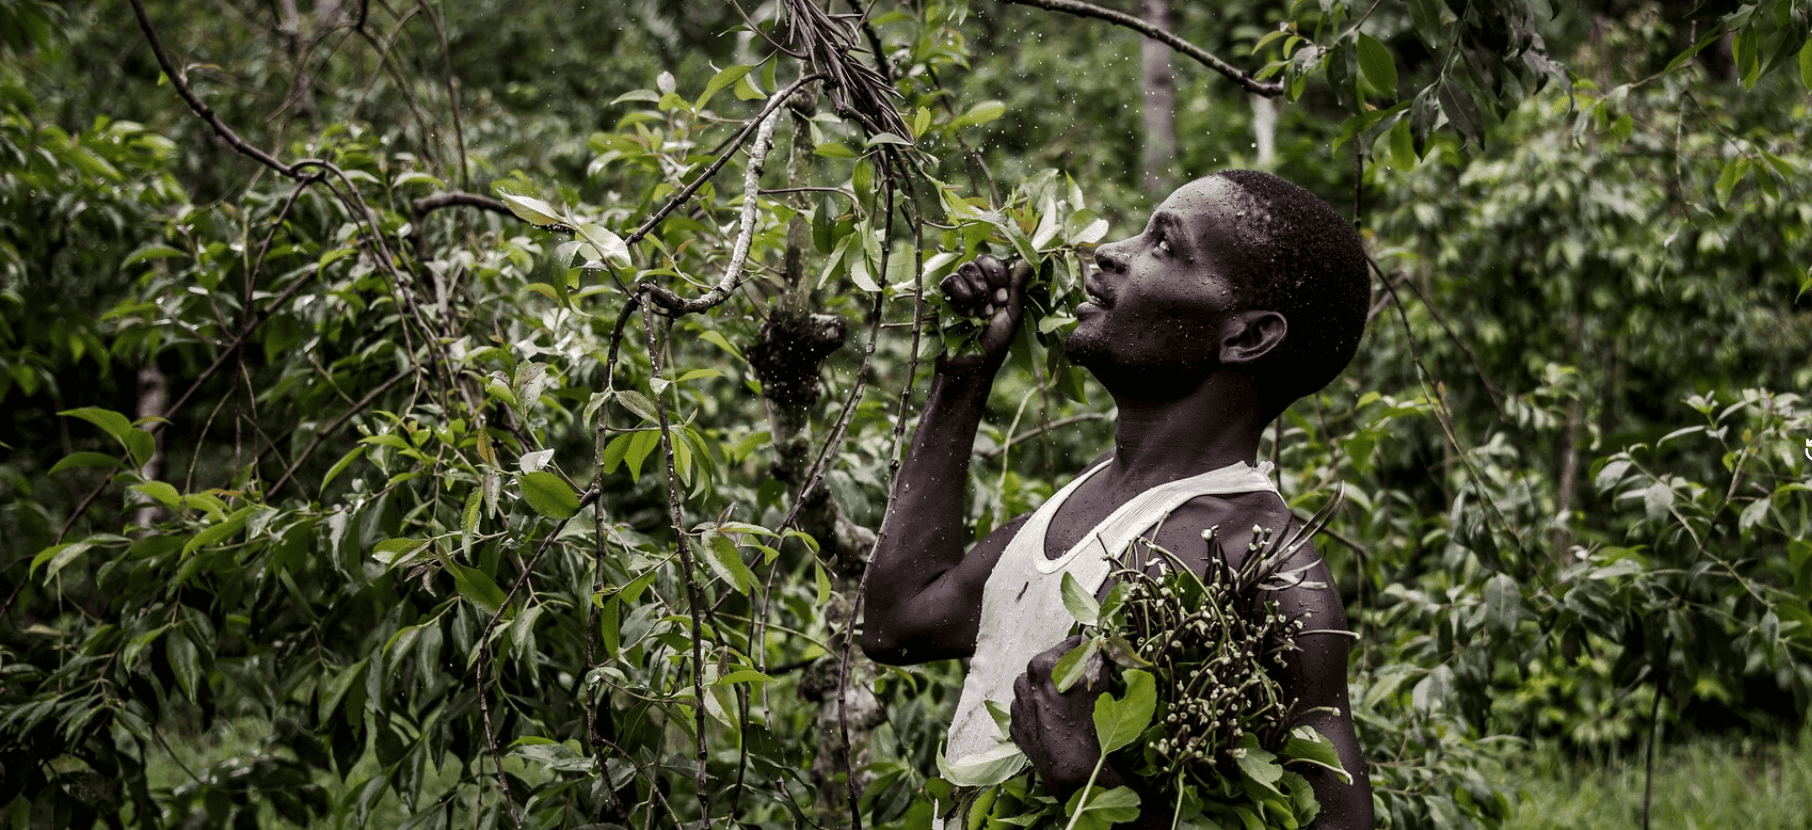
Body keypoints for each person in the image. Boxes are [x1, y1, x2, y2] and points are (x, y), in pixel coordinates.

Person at [860, 170, 1374, 828]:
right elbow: (896, 624)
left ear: (1246, 337)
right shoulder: (1085, 502)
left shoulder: (1267, 569)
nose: (1111, 251)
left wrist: (1087, 774)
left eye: (1163, 244)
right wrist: (962, 379)